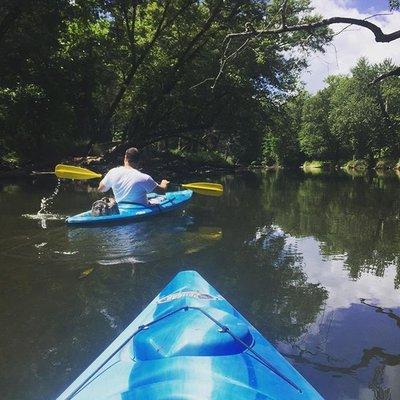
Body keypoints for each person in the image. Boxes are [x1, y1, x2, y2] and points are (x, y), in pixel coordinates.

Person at [97, 147, 169, 205]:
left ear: (125, 158)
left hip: (121, 208)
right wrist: (164, 183)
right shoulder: (144, 178)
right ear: (138, 161)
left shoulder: (112, 172)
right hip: (140, 210)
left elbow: (100, 189)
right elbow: (162, 191)